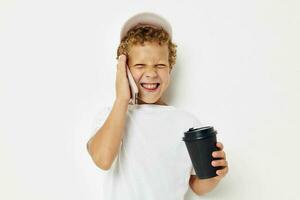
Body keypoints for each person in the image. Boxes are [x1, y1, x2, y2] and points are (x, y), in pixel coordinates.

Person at [86, 12, 229, 200]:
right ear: (125, 70)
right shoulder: (113, 116)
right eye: (139, 65)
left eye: (160, 65)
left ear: (170, 68)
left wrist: (215, 176)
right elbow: (102, 160)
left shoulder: (186, 123)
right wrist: (122, 99)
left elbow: (196, 186)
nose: (151, 73)